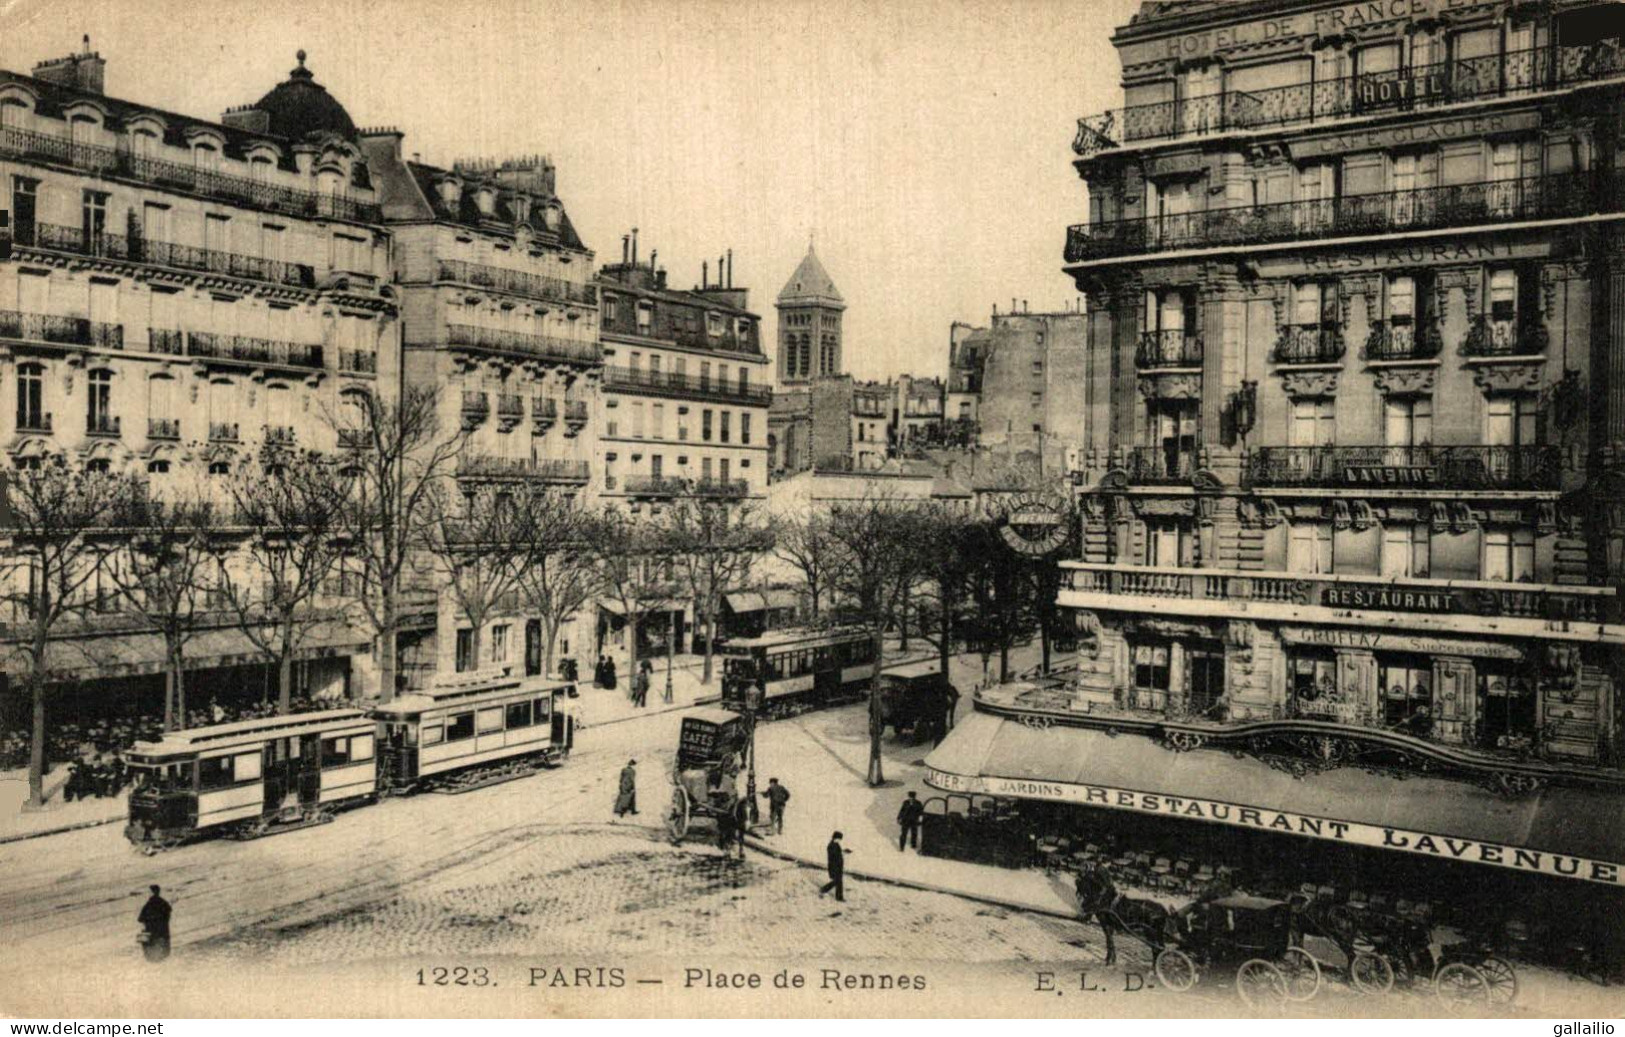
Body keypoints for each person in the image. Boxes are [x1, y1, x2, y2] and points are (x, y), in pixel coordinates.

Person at [1074, 862, 1121, 965]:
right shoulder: (1098, 870)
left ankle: (1111, 954)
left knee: (1107, 930)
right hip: (1107, 896)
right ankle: (1111, 954)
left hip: (1106, 898)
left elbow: (1106, 886)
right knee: (1107, 931)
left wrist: (1099, 896)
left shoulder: (1099, 870)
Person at [138, 884, 172, 963]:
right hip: (163, 932)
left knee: (146, 943)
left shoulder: (148, 905)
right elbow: (168, 914)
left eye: (148, 892)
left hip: (151, 932)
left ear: (152, 893)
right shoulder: (164, 903)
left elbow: (140, 919)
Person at [819, 831, 850, 902]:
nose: (840, 840)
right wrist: (842, 853)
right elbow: (834, 856)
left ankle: (824, 889)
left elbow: (837, 853)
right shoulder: (831, 845)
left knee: (837, 881)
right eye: (839, 838)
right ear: (836, 838)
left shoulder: (835, 844)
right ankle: (838, 897)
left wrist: (843, 851)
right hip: (834, 866)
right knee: (838, 881)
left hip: (837, 866)